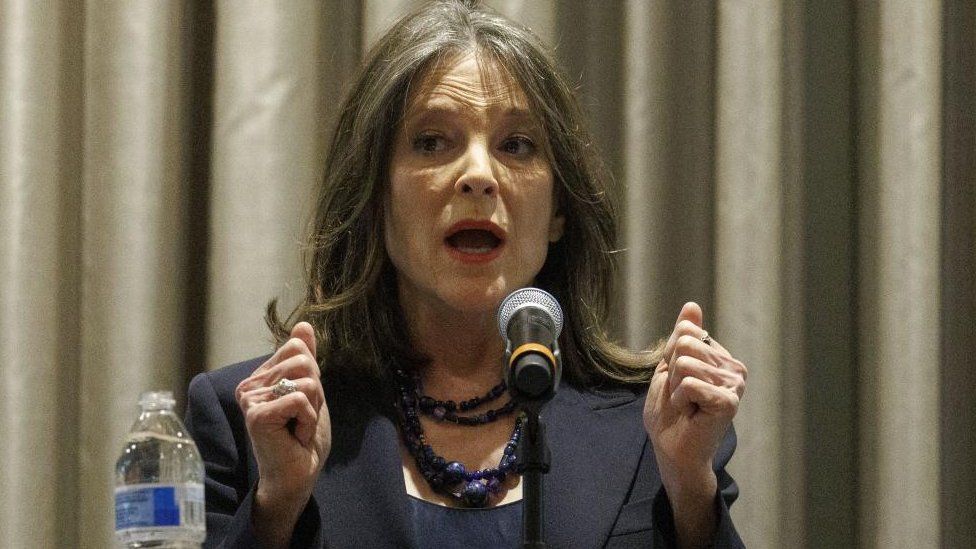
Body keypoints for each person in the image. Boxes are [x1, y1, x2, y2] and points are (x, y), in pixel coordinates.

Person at [184, 1, 748, 547]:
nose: (479, 174)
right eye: (432, 142)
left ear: (557, 211)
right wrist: (278, 505)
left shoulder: (652, 430)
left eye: (516, 145)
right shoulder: (258, 424)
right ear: (374, 199)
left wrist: (691, 497)